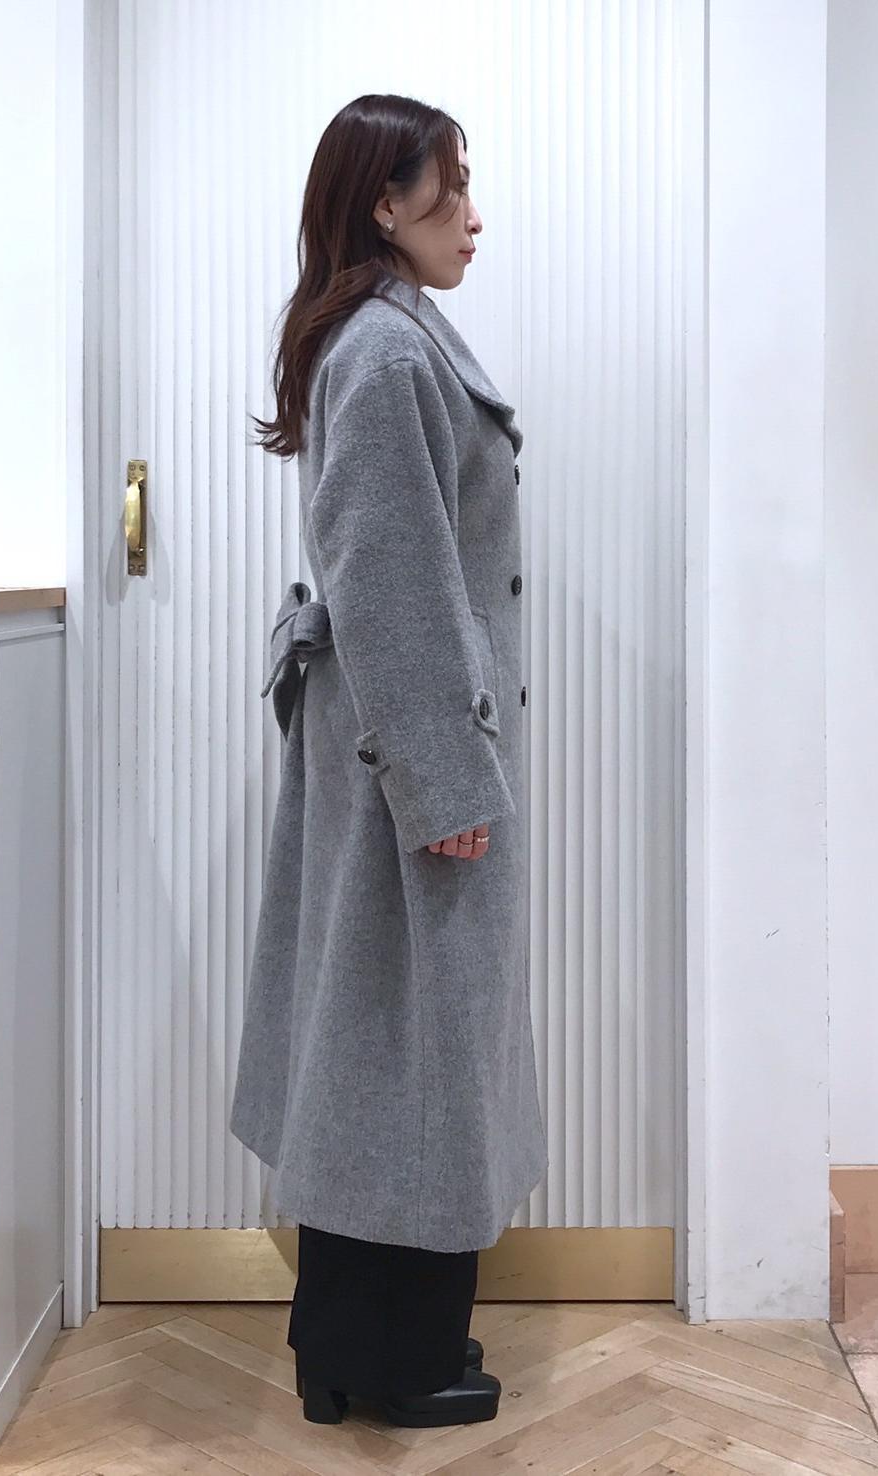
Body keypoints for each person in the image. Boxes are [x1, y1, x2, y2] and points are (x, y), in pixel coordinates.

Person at [228, 92, 548, 1429]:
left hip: (393, 748)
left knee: (390, 1048)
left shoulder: (385, 338)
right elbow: (393, 584)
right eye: (450, 187)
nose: (472, 216)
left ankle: (360, 1345)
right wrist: (444, 785)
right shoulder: (382, 350)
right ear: (384, 202)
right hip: (403, 759)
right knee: (406, 1051)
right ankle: (389, 1358)